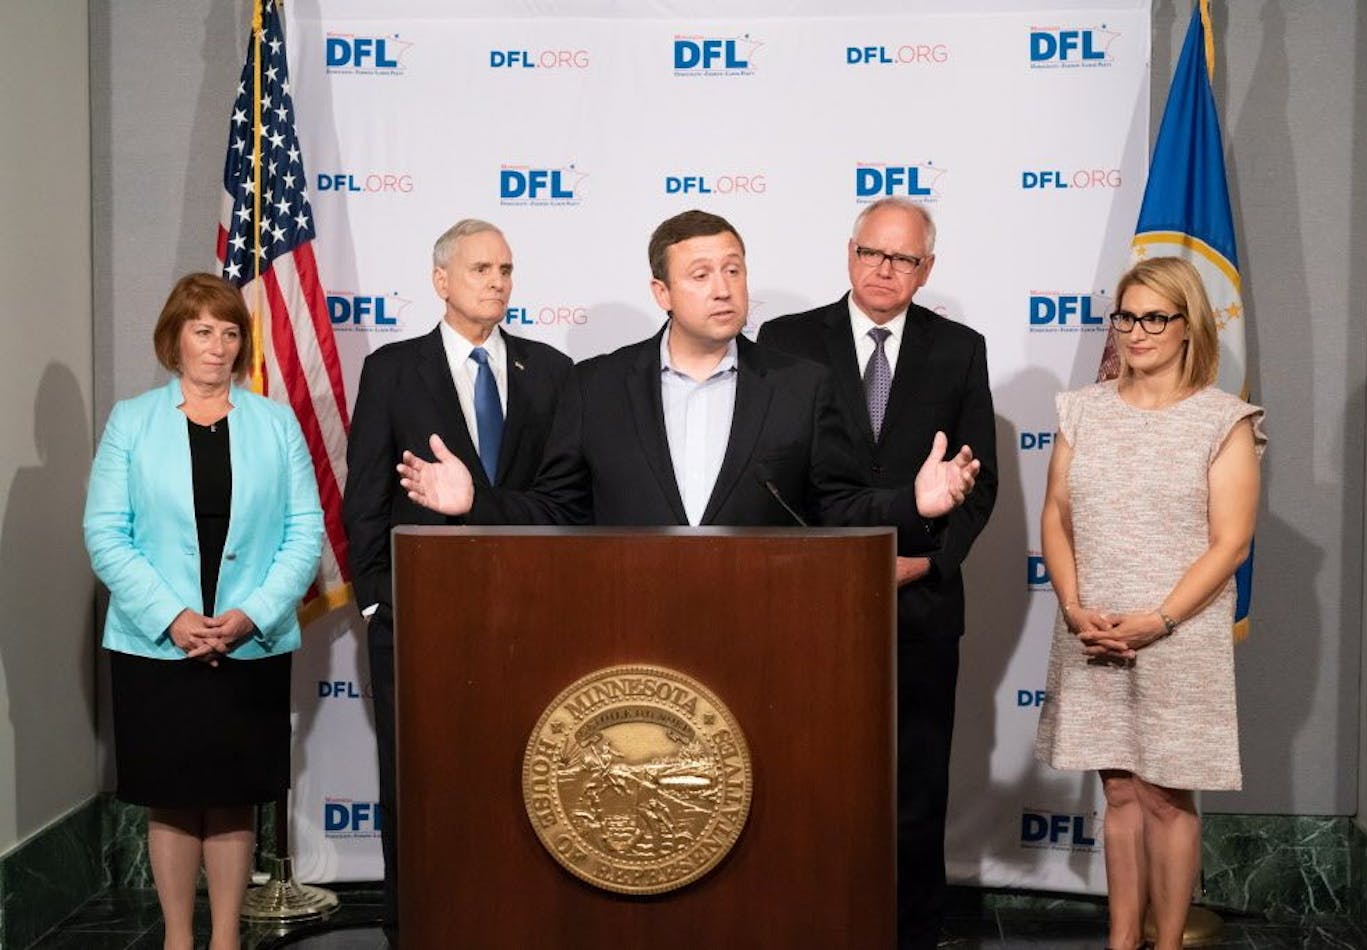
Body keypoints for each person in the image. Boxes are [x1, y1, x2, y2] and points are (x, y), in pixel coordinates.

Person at [395, 209, 979, 536]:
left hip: (764, 628)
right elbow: (559, 510)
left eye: (733, 270)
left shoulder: (800, 387)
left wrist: (911, 501)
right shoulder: (597, 386)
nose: (723, 288)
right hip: (630, 633)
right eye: (700, 275)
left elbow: (836, 507)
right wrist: (477, 502)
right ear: (662, 292)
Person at [757, 197, 997, 950]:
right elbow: (772, 475)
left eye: (903, 259)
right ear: (849, 252)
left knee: (915, 788)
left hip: (920, 604)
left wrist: (928, 559)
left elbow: (976, 481)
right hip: (813, 604)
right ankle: (806, 921)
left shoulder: (959, 350)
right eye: (872, 253)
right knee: (804, 780)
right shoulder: (786, 341)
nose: (884, 270)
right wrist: (831, 568)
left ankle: (912, 932)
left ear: (927, 270)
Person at [342, 218, 572, 939]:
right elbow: (366, 499)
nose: (498, 282)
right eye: (481, 270)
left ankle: (521, 916)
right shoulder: (391, 370)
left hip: (531, 614)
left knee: (526, 774)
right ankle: (414, 923)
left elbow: (566, 500)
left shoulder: (553, 371)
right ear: (441, 281)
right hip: (420, 617)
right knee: (420, 781)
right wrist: (381, 602)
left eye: (505, 269)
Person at [84, 273, 323, 950]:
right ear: (174, 340)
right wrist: (171, 616)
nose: (217, 347)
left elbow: (304, 531)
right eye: (202, 331)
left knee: (233, 794)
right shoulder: (131, 422)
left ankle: (224, 938)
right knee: (174, 796)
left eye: (229, 333)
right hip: (157, 644)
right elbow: (106, 531)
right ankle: (178, 939)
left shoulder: (276, 424)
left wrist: (253, 612)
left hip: (250, 640)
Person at [1034, 257, 1265, 950]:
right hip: (1093, 629)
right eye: (1127, 316)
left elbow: (1231, 544)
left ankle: (1166, 944)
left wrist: (1159, 620)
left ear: (1188, 325)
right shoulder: (1083, 409)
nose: (1137, 332)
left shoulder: (1223, 420)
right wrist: (1075, 607)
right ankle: (1120, 939)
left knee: (1167, 795)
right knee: (1121, 792)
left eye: (1154, 317)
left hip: (1179, 635)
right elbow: (1054, 514)